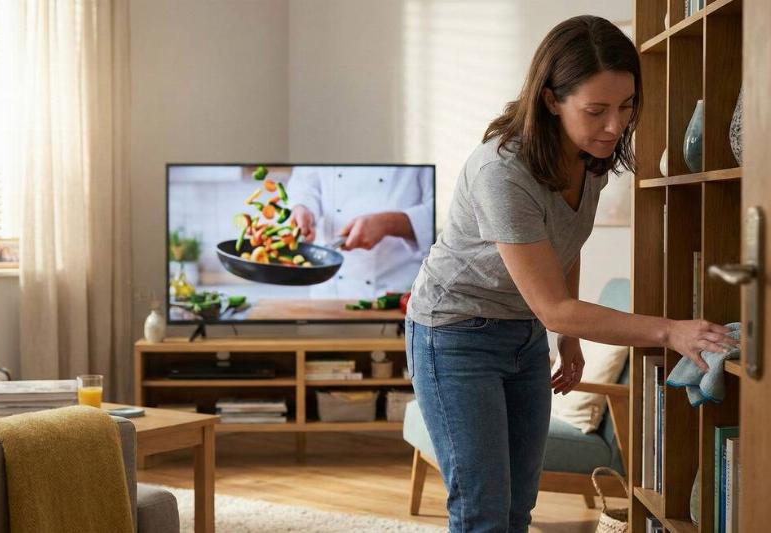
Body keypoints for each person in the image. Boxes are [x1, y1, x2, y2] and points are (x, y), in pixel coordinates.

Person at [404, 15, 738, 533]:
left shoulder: (588, 159)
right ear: (550, 100)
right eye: (597, 110)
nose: (616, 125)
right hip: (453, 334)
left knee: (518, 508)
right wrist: (670, 330)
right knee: (483, 512)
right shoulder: (503, 172)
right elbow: (553, 304)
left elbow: (563, 247)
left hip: (523, 333)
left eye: (627, 107)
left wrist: (568, 338)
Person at [286, 165, 434, 299]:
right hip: (328, 292)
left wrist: (389, 223)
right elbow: (305, 182)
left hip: (397, 291)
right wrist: (303, 208)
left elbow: (444, 214)